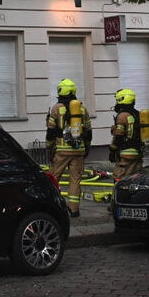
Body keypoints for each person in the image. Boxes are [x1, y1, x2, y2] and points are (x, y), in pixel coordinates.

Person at [46, 78, 92, 218]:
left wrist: (49, 149)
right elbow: (88, 133)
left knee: (53, 178)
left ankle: (51, 207)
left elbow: (50, 132)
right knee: (75, 180)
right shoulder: (82, 109)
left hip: (61, 151)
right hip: (79, 150)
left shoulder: (56, 109)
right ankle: (74, 210)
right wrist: (86, 149)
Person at [109, 88, 144, 181]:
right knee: (136, 178)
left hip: (125, 153)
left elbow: (119, 136)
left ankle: (120, 195)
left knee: (118, 178)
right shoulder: (138, 114)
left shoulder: (122, 115)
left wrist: (112, 150)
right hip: (138, 152)